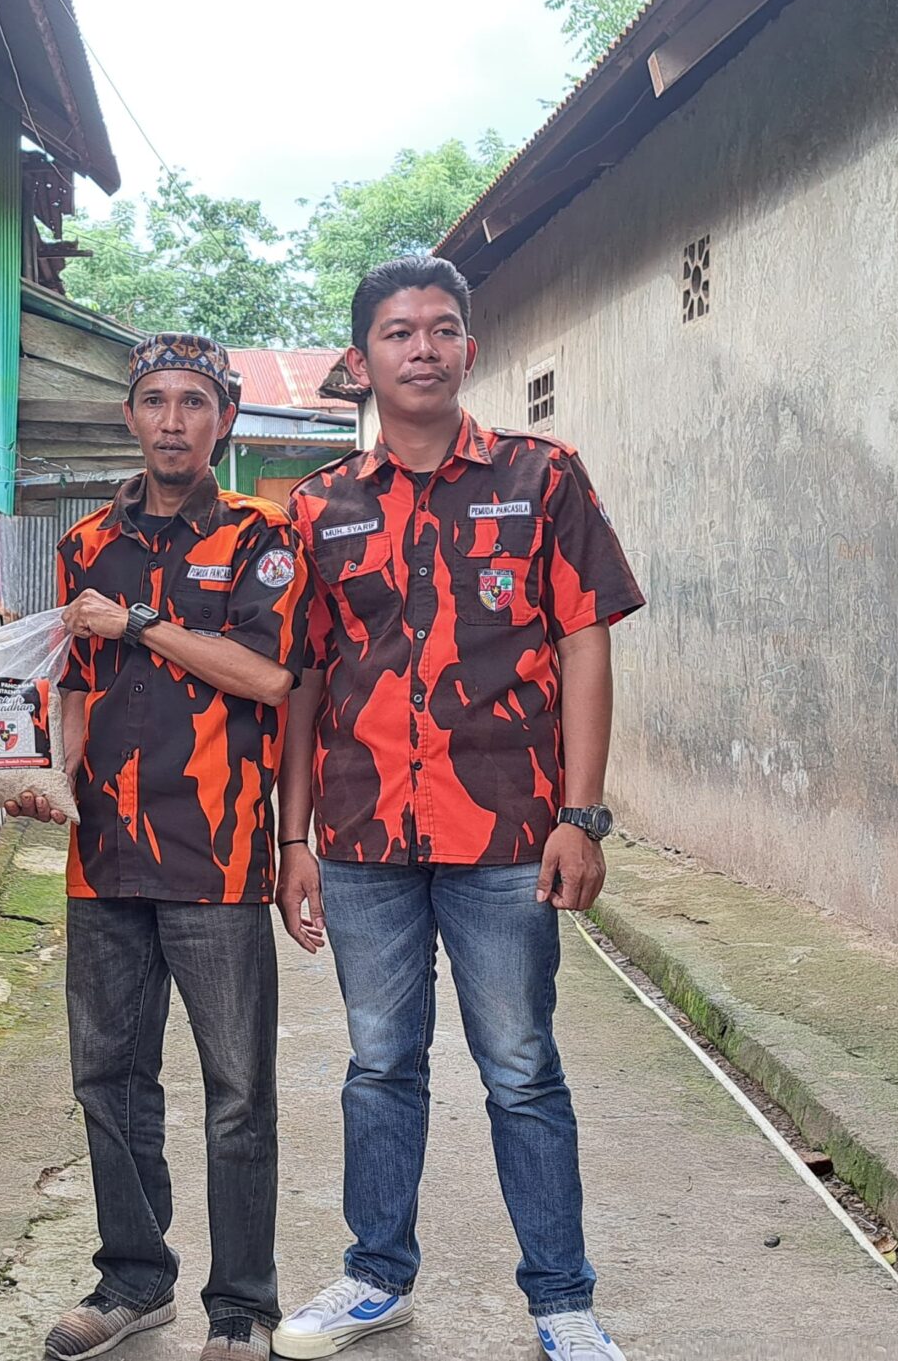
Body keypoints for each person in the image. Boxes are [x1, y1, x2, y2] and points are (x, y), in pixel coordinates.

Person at [271, 257, 645, 1361]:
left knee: (520, 1064)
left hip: (506, 835)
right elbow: (299, 681)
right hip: (361, 838)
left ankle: (561, 1301)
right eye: (396, 332)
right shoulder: (317, 506)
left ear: (470, 350)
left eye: (440, 329)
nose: (420, 348)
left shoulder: (543, 478)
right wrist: (292, 839)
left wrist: (582, 815)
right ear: (361, 360)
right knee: (380, 1062)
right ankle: (375, 1276)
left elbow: (584, 641)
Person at [19, 334, 307, 1361]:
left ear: (224, 418)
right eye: (154, 400)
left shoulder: (263, 536)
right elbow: (75, 687)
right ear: (129, 416)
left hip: (217, 855)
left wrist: (139, 620)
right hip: (104, 858)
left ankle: (241, 1304)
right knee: (109, 1079)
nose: (174, 419)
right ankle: (133, 1280)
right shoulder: (86, 540)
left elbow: (269, 677)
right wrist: (43, 775)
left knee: (236, 1092)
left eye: (194, 401)